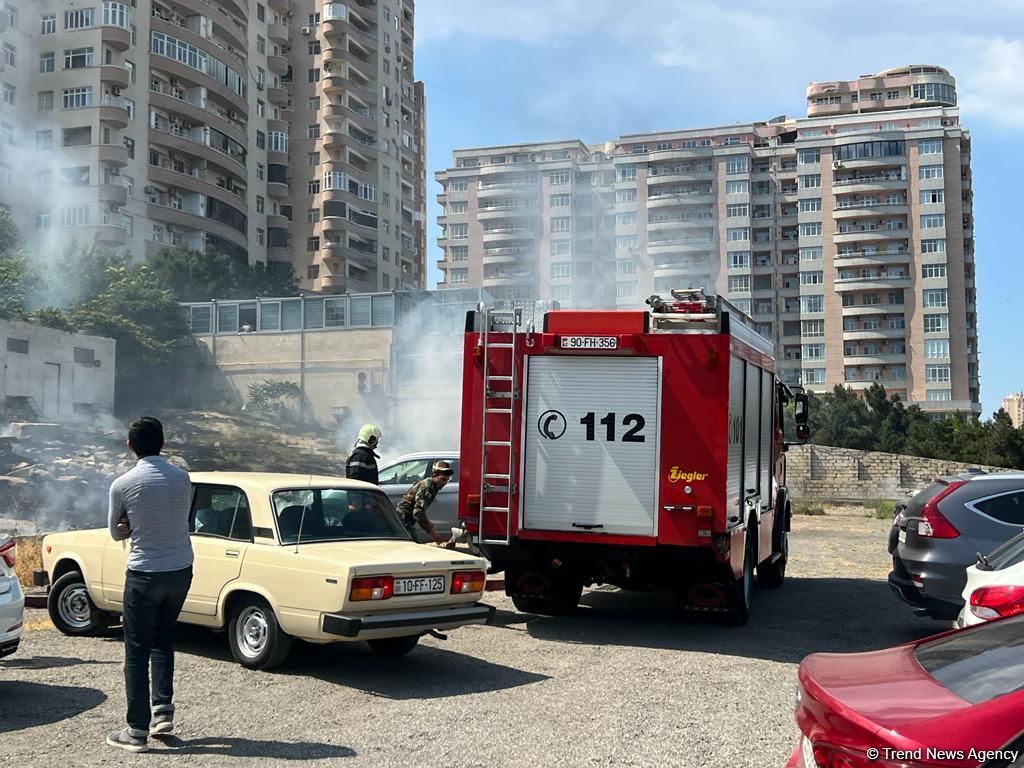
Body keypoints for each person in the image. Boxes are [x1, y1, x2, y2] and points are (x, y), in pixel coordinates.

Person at [105, 417, 193, 753]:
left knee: (136, 649)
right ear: (162, 443)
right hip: (181, 569)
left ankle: (136, 731)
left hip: (144, 573)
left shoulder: (123, 483)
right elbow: (179, 518)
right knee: (164, 639)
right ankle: (163, 711)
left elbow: (115, 532)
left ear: (130, 446)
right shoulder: (182, 477)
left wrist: (129, 526)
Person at [395, 461, 454, 545]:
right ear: (434, 475)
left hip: (407, 519)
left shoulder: (434, 486)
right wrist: (434, 534)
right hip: (402, 519)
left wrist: (428, 524)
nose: (444, 483)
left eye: (447, 480)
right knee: (411, 546)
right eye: (443, 479)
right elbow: (418, 513)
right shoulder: (426, 487)